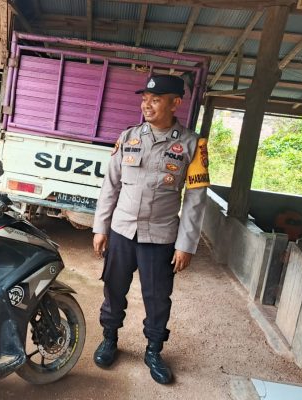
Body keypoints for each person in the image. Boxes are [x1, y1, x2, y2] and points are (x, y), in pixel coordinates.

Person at [91, 74, 210, 384]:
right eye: (145, 99)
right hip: (122, 231)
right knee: (113, 288)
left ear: (175, 103)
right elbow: (110, 185)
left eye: (155, 100)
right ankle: (109, 339)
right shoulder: (128, 136)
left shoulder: (193, 145)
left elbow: (195, 199)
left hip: (160, 236)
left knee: (157, 298)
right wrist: (101, 227)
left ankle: (154, 351)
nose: (147, 105)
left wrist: (185, 245)